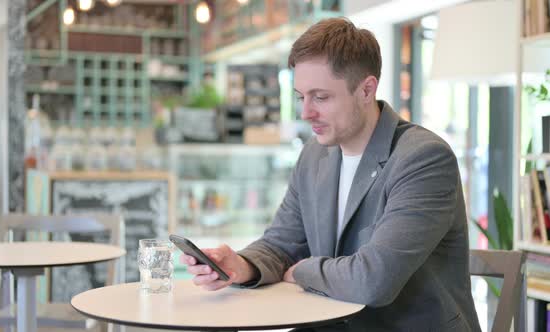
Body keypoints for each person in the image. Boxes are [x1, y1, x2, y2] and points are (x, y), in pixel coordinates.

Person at [180, 17, 481, 331]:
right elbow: (282, 244)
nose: (306, 112)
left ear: (366, 89)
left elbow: (374, 279)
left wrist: (302, 271)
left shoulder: (423, 158)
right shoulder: (315, 154)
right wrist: (241, 265)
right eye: (301, 96)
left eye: (320, 97)